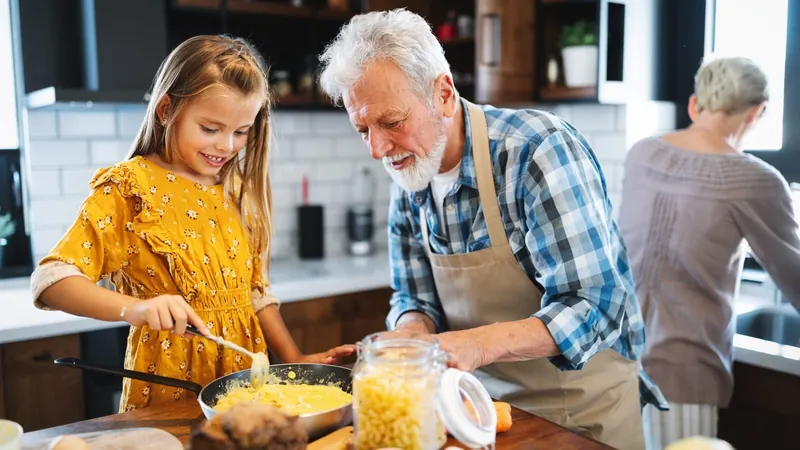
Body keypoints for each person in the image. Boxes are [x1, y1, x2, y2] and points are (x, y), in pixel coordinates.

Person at [318, 9, 668, 449]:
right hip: (480, 412)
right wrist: (410, 337)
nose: (377, 149)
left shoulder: (536, 151)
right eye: (362, 129)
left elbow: (595, 304)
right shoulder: (409, 174)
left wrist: (476, 345)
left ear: (443, 94)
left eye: (390, 122)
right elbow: (415, 297)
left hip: (582, 416)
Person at [30, 35, 353, 412]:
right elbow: (50, 281)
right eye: (211, 129)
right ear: (166, 109)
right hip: (170, 390)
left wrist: (296, 360)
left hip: (249, 389)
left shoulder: (234, 190)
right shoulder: (130, 188)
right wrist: (134, 308)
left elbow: (254, 294)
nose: (227, 146)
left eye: (241, 131)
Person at [617, 55, 800, 449]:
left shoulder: (642, 152)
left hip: (614, 364)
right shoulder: (756, 180)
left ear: (694, 104)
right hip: (682, 373)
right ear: (756, 113)